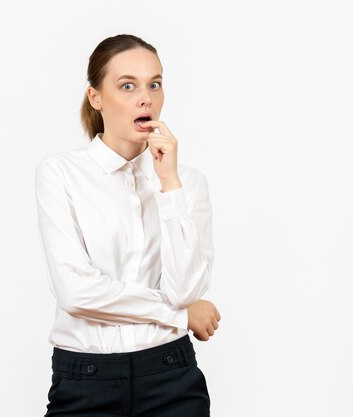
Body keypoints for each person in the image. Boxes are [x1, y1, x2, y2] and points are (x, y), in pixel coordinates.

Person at [34, 33, 221, 417]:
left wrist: (169, 184)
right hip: (85, 380)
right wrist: (179, 316)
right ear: (96, 98)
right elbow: (76, 293)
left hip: (172, 377)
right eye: (127, 85)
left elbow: (185, 289)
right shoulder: (60, 174)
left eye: (155, 83)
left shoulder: (188, 183)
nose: (145, 98)